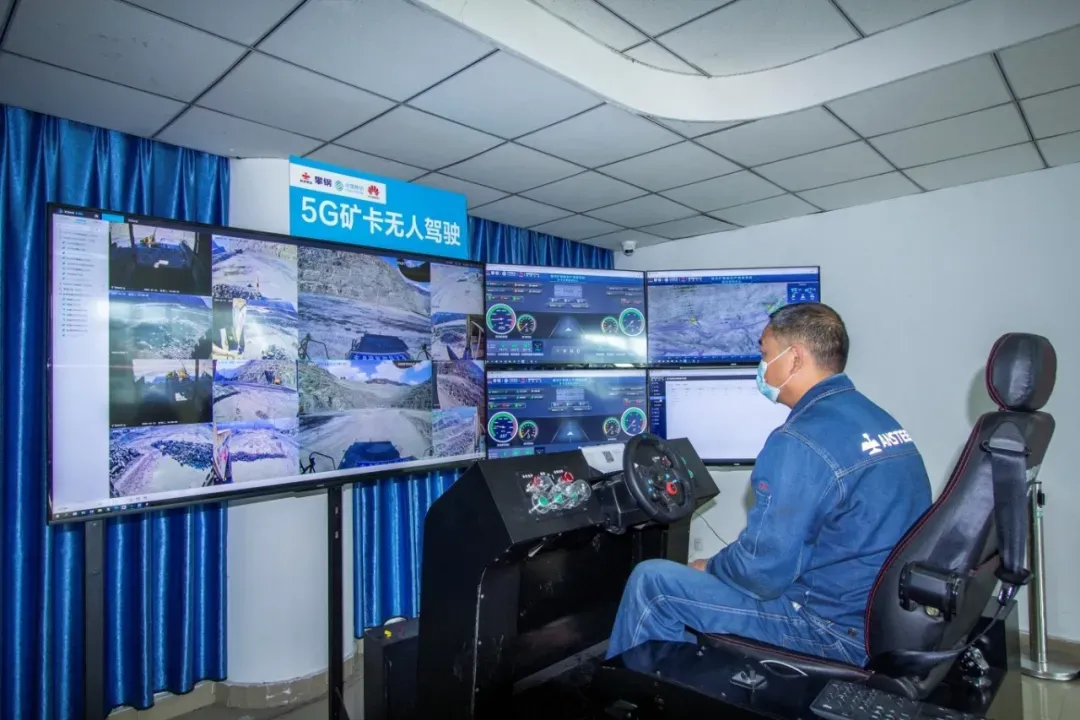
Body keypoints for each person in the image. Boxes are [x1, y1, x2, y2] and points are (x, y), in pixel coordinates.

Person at [606, 303, 931, 666]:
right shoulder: (879, 421)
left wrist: (709, 567)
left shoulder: (799, 440)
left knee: (652, 582)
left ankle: (635, 693)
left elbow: (762, 572)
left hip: (831, 630)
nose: (761, 367)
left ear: (794, 358)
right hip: (883, 621)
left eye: (764, 354)